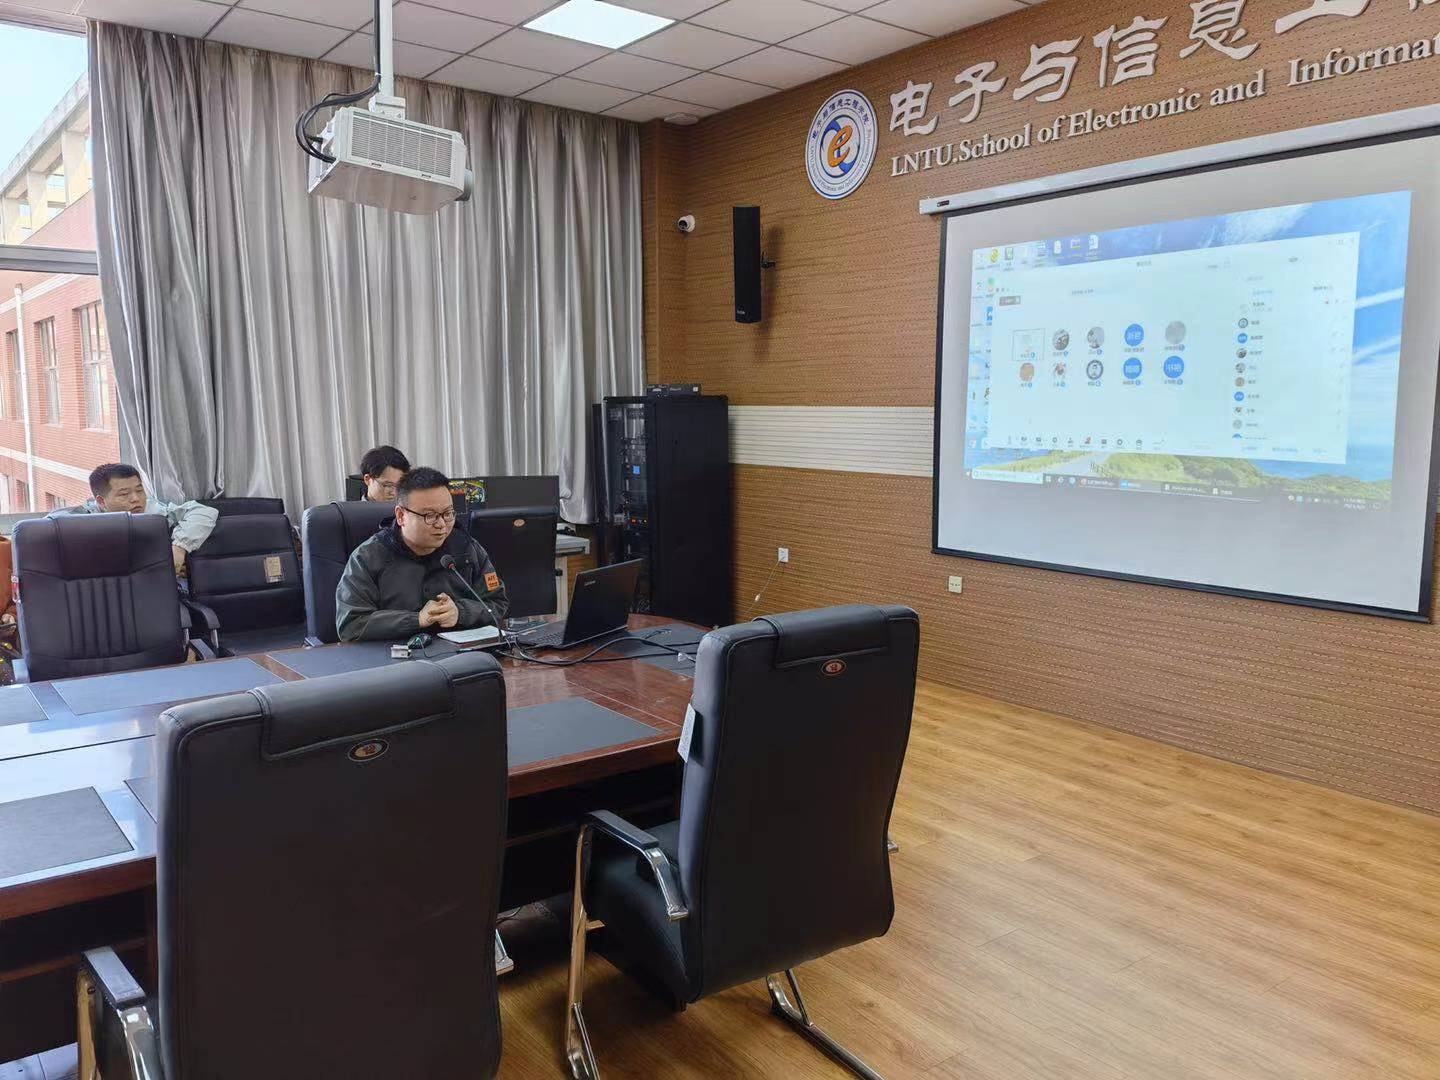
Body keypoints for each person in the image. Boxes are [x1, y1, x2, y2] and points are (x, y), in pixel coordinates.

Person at [335, 466, 510, 642]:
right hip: (395, 655)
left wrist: (461, 612)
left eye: (448, 513)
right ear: (401, 516)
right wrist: (417, 620)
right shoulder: (367, 557)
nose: (441, 524)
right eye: (430, 516)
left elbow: (497, 603)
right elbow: (351, 626)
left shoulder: (467, 548)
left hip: (460, 653)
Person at [58, 464, 218, 576]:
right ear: (101, 501)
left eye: (139, 490)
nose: (136, 499)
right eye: (124, 494)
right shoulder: (81, 520)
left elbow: (204, 512)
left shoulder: (153, 510)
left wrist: (179, 547)